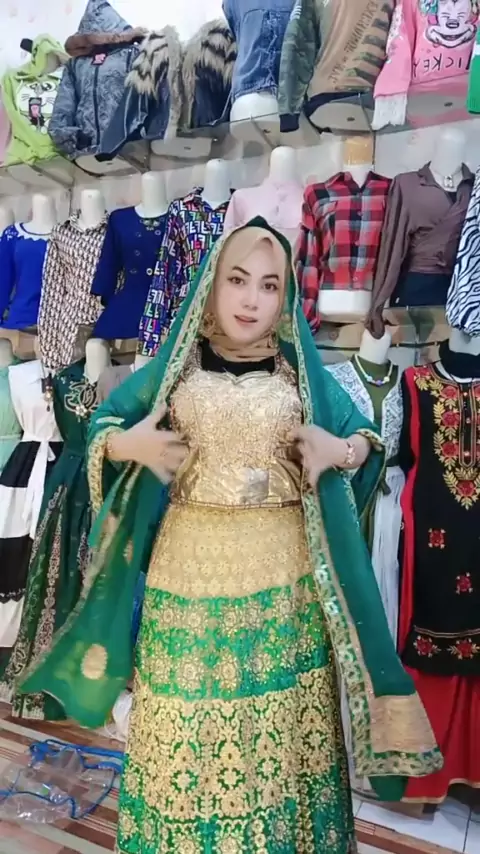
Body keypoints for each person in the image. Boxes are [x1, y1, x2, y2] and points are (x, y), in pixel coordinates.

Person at [21, 219, 441, 854]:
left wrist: (342, 451)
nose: (251, 300)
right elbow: (106, 422)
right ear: (211, 285)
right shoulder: (176, 366)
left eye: (269, 286)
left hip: (284, 582)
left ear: (285, 296)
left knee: (278, 733)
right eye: (237, 280)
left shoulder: (300, 371)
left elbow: (365, 438)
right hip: (186, 575)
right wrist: (129, 445)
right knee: (182, 725)